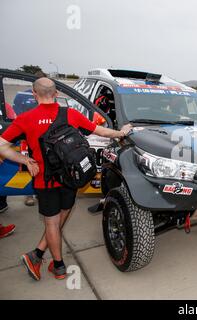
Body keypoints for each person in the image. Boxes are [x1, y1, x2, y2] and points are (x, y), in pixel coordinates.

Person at [0, 78, 132, 281]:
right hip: (71, 178)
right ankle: (38, 256)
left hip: (45, 181)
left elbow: (1, 145)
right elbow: (100, 131)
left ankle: (58, 266)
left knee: (52, 223)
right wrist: (121, 133)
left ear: (34, 94)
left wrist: (25, 160)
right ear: (56, 94)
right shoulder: (70, 114)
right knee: (62, 217)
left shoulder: (25, 119)